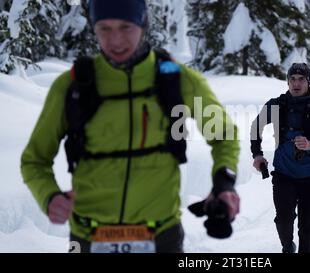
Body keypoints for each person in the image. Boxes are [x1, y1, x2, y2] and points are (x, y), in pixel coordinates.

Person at [20, 0, 240, 253]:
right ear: (94, 28)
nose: (115, 40)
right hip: (86, 236)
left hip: (161, 235)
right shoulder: (72, 87)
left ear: (142, 23)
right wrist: (48, 196)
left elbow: (224, 135)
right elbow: (34, 159)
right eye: (104, 28)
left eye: (125, 27)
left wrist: (224, 182)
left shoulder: (178, 80)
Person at [250, 63, 310, 253]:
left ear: (308, 82)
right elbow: (256, 127)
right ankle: (288, 247)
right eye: (292, 79)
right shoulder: (277, 105)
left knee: (307, 230)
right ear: (287, 82)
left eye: (301, 79)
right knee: (283, 220)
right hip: (284, 175)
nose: (296, 83)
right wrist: (257, 154)